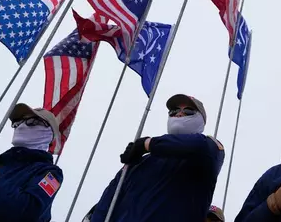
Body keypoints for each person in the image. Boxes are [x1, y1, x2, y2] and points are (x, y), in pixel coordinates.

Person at [89, 94, 225, 222]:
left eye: (189, 111)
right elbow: (108, 202)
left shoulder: (208, 152)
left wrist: (146, 144)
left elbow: (196, 145)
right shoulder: (139, 162)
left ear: (201, 120)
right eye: (173, 111)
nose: (179, 113)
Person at [0, 103, 63, 222]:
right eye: (18, 122)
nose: (22, 126)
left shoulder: (51, 174)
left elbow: (25, 212)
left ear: (48, 134)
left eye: (32, 122)